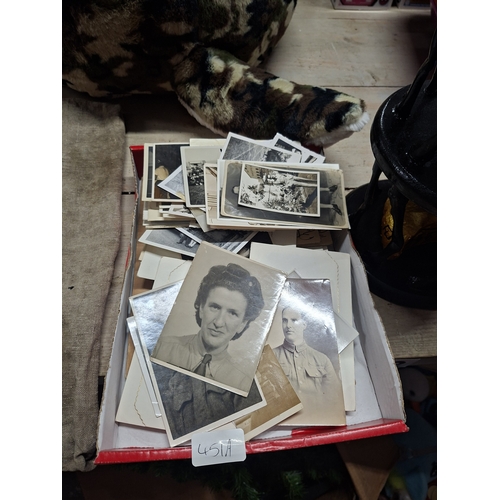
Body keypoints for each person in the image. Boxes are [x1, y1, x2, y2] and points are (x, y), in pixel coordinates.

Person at [152, 262, 265, 392]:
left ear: (242, 324)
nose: (218, 322)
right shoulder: (161, 348)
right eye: (215, 307)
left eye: (232, 313)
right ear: (201, 308)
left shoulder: (242, 382)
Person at [272, 306, 339, 407]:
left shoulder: (322, 359)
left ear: (304, 324)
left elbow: (334, 398)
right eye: (284, 321)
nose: (288, 325)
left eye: (294, 320)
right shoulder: (270, 356)